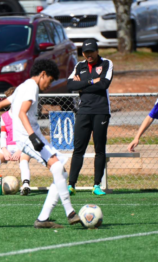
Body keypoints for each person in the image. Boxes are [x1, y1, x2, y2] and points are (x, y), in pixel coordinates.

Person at [0, 59, 81, 228]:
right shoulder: (32, 87)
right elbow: (22, 113)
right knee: (58, 168)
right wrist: (33, 137)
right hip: (28, 136)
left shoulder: (21, 87)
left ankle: (43, 219)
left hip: (29, 136)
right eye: (50, 80)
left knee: (62, 171)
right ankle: (70, 213)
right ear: (43, 74)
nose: (49, 84)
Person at [67, 39, 113, 196]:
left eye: (91, 52)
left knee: (99, 149)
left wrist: (82, 84)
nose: (88, 55)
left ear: (97, 51)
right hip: (83, 111)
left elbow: (104, 84)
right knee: (78, 149)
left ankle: (97, 185)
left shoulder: (107, 63)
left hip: (101, 111)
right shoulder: (79, 66)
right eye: (85, 52)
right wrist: (92, 81)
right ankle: (71, 185)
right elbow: (70, 85)